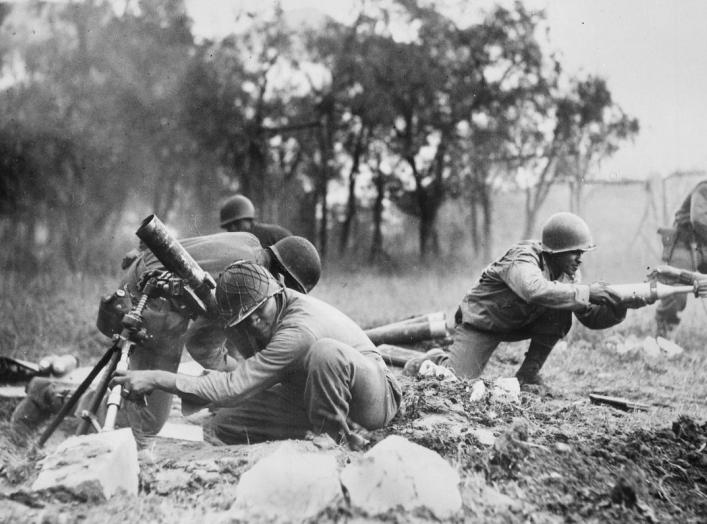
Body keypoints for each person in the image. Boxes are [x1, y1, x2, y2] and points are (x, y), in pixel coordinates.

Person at [11, 232, 322, 436]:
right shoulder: (241, 282)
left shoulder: (247, 241)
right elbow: (202, 344)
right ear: (281, 278)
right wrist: (237, 374)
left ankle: (51, 393)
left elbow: (180, 247)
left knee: (135, 406)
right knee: (142, 422)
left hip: (150, 288)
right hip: (151, 305)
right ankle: (47, 394)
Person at [109, 261, 402, 449]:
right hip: (310, 393)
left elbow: (234, 387)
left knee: (325, 353)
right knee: (224, 425)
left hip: (374, 397)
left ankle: (336, 446)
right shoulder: (262, 315)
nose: (257, 324)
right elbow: (216, 356)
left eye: (260, 312)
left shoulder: (298, 329)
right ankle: (327, 429)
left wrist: (156, 377)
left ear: (277, 290)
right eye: (245, 321)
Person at [406, 212, 647, 386]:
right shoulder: (523, 259)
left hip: (518, 323)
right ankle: (433, 359)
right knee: (454, 381)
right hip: (483, 323)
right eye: (575, 252)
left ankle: (528, 374)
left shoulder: (568, 274)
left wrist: (619, 306)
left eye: (581, 252)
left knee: (563, 307)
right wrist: (587, 292)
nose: (579, 258)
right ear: (555, 251)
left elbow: (590, 318)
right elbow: (534, 290)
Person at [655, 180, 707, 337]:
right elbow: (698, 220)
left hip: (703, 245)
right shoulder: (704, 189)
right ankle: (664, 335)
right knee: (676, 292)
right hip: (684, 243)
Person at [220, 195, 292, 247]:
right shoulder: (233, 246)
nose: (232, 228)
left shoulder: (273, 235)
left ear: (248, 220)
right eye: (228, 226)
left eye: (236, 223)